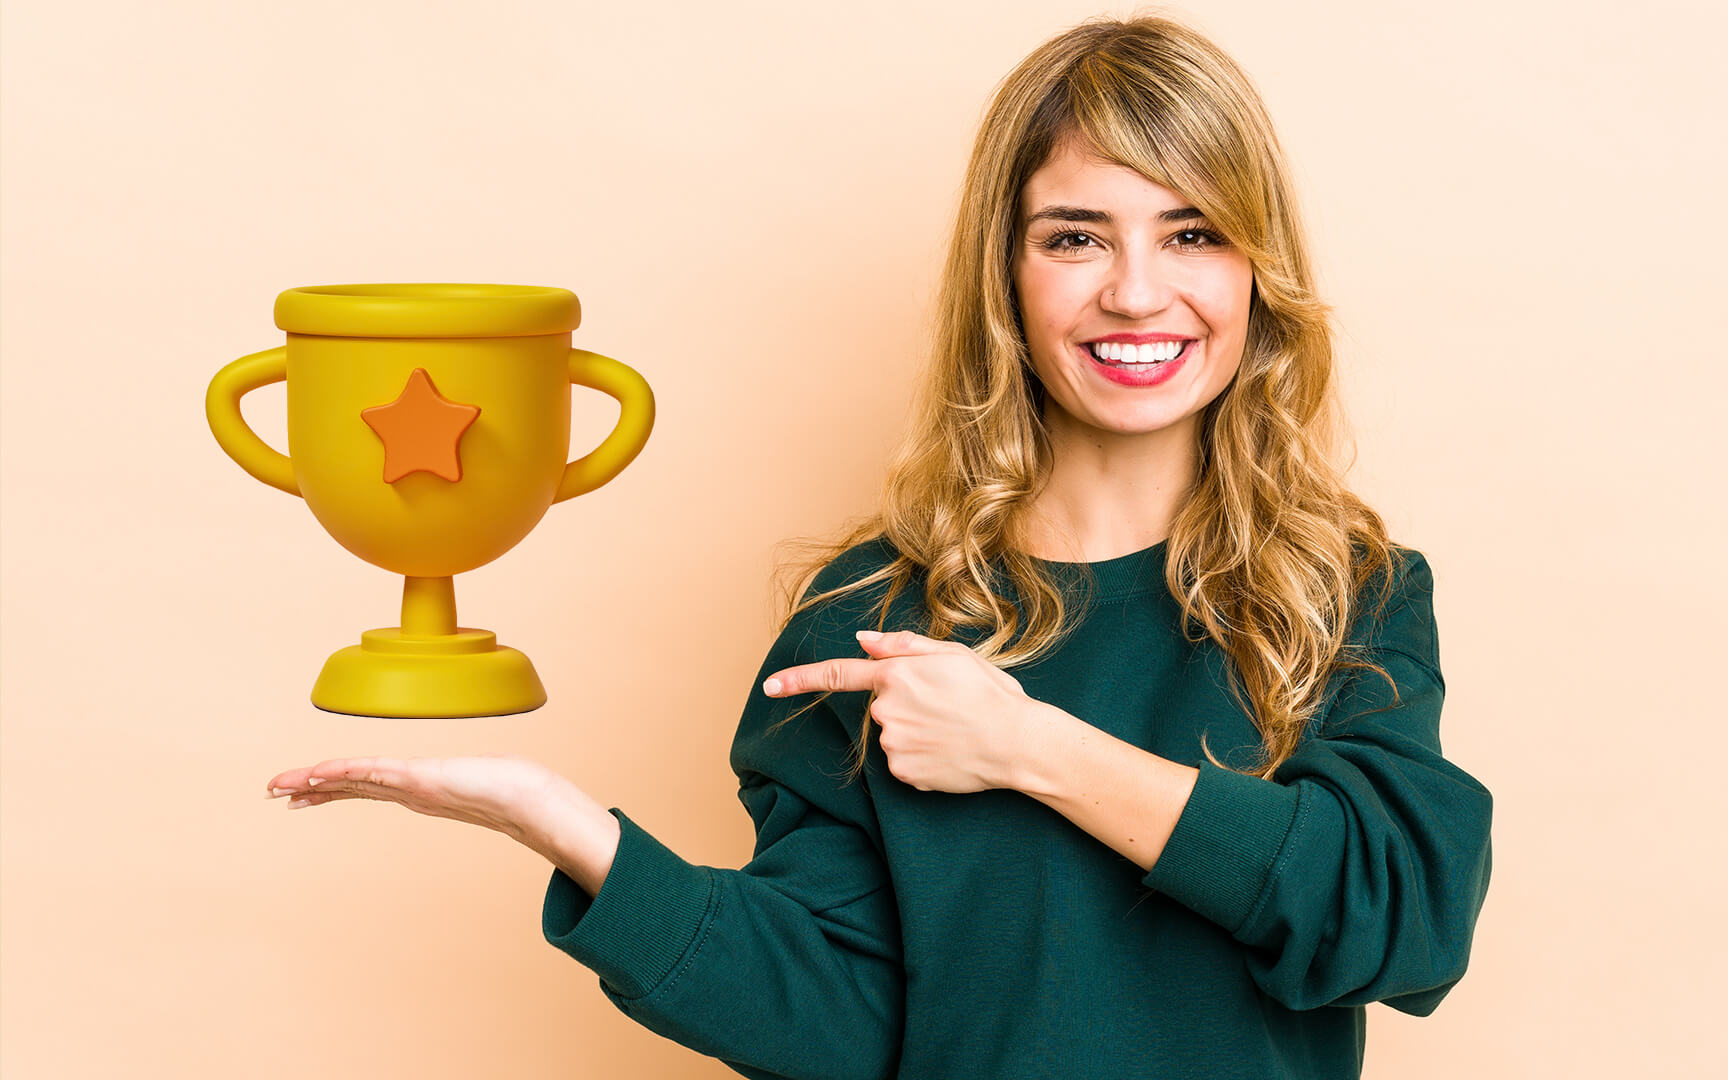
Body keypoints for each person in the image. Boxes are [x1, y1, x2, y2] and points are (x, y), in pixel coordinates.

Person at [265, 11, 1493, 1079]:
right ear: (1005, 275)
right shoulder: (871, 614)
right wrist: (572, 834)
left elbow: (1399, 922)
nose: (1132, 291)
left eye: (1192, 233)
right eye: (1074, 236)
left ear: (1257, 272)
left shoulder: (1346, 595)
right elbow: (847, 1022)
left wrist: (1028, 746)